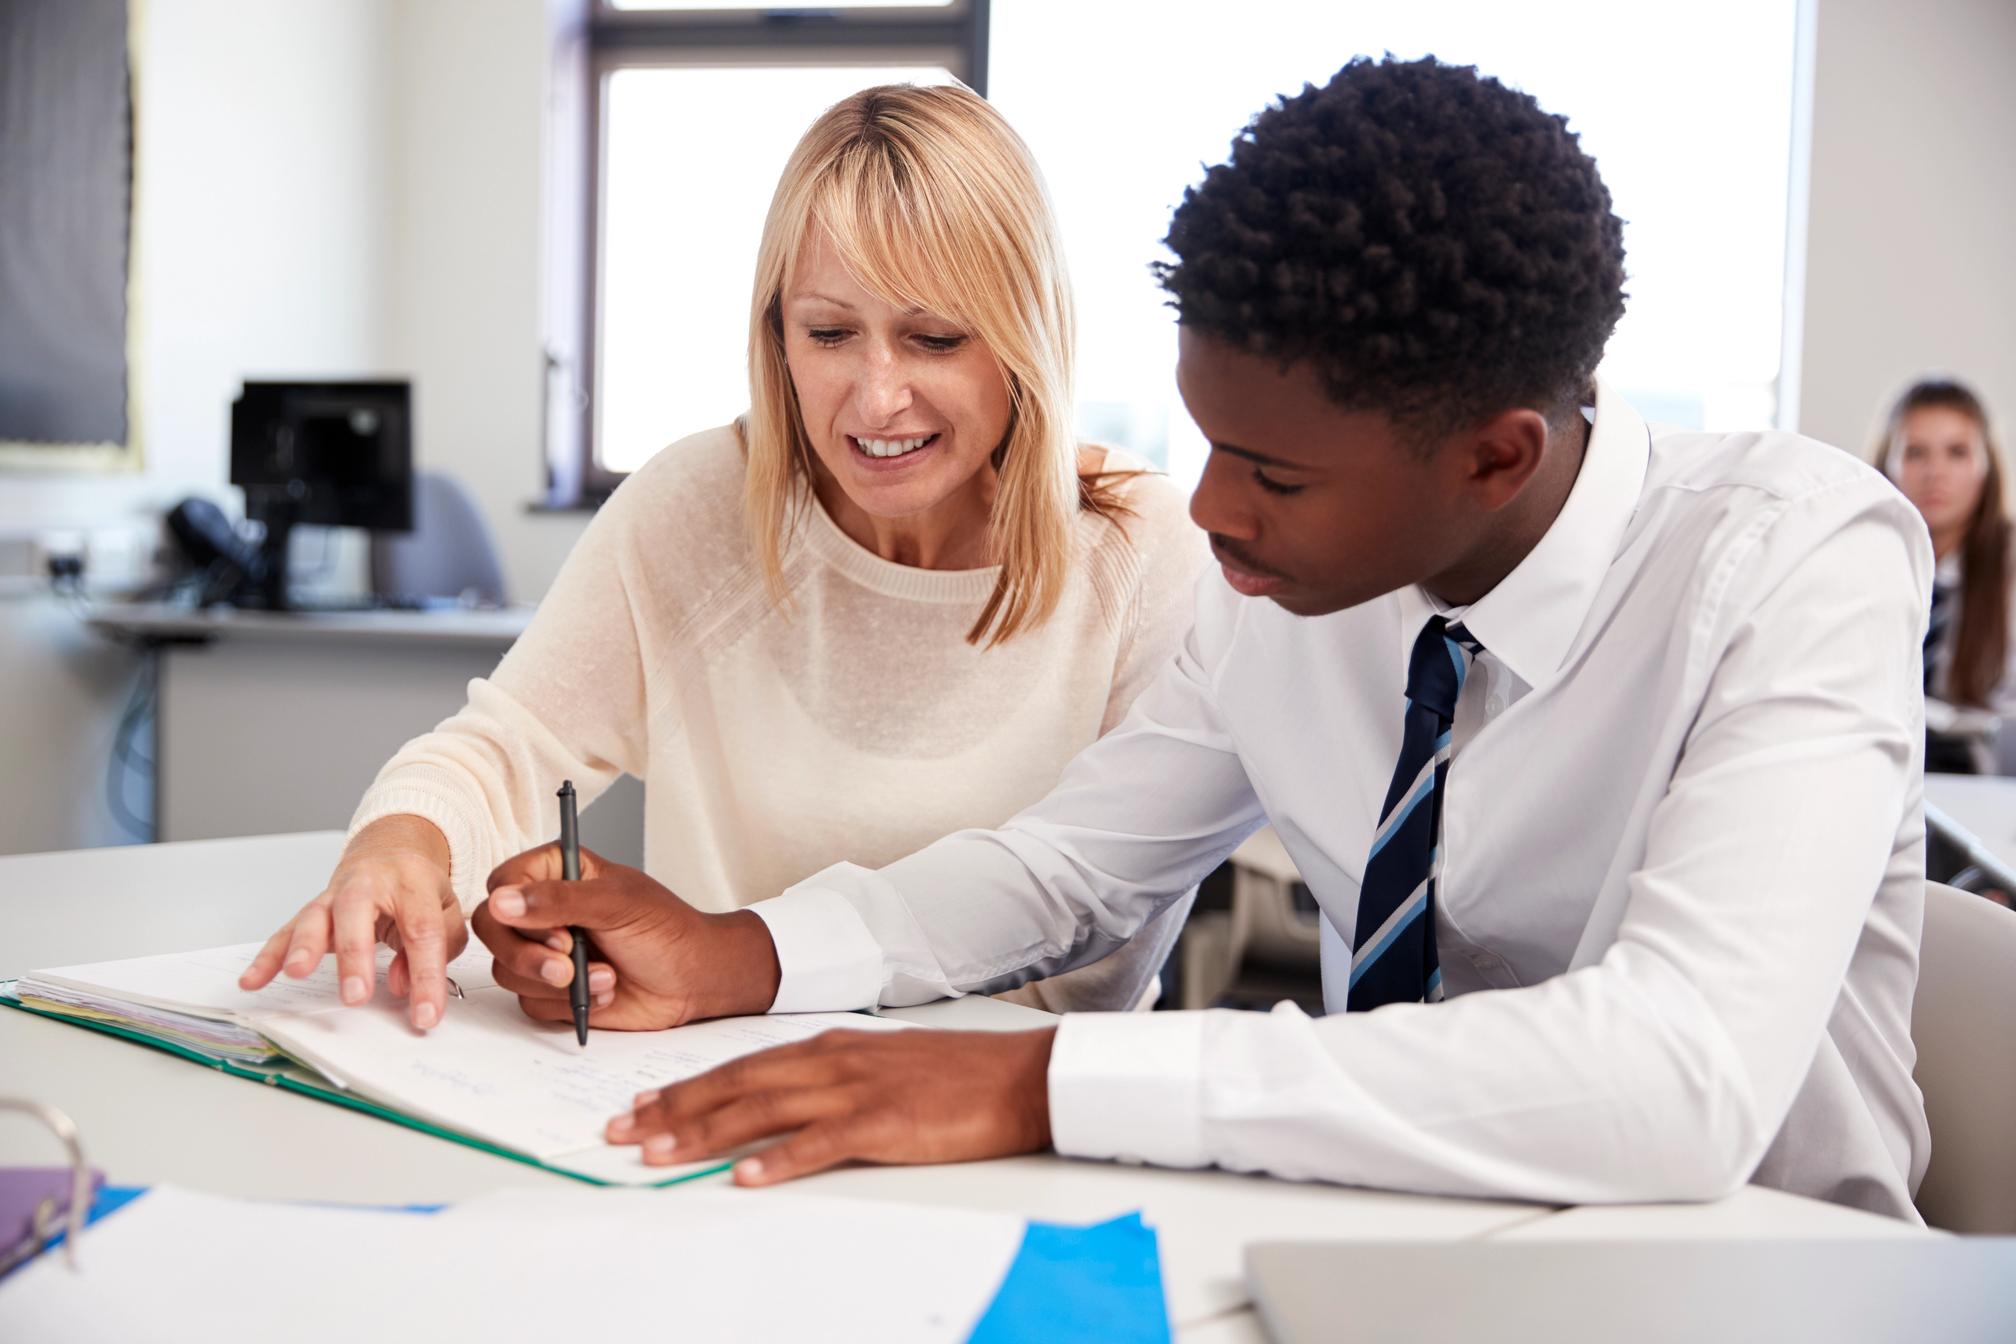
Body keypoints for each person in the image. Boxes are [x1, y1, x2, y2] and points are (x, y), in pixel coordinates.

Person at [472, 57, 1931, 1221]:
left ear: (1495, 458)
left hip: (1756, 1269)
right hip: (1393, 1242)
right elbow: (1064, 872)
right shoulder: (1278, 587)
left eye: (1276, 476)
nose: (1213, 510)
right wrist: (742, 952)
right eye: (1210, 442)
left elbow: (1677, 1078)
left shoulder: (1799, 559)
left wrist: (1048, 1083)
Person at [237, 84, 1208, 1026]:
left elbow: (1097, 965)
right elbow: (508, 749)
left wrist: (723, 966)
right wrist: (404, 840)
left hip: (1006, 1114)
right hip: (709, 1093)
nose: (876, 399)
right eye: (829, 332)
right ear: (777, 334)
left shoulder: (1140, 549)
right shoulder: (701, 504)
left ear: (1025, 337)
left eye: (933, 338)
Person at [1874, 378, 2013, 773]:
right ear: (1888, 463)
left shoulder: (2009, 572)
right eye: (1916, 452)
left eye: (1957, 452)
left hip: (1979, 789)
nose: (1935, 472)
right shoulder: (1856, 564)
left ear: (1986, 467)